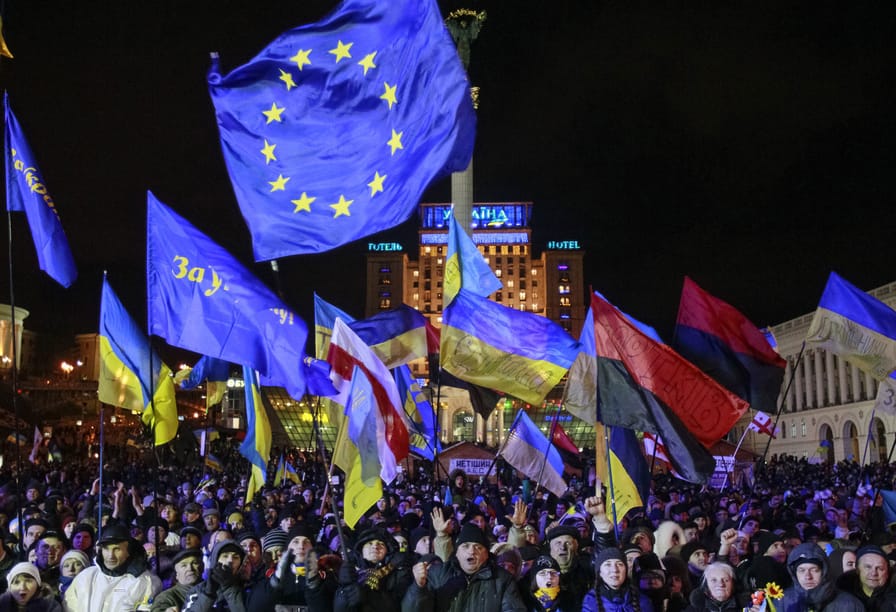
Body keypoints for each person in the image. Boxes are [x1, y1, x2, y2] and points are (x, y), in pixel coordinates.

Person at [402, 522, 525, 612]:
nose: (471, 552)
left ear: (487, 554)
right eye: (465, 546)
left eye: (478, 547)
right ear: (456, 553)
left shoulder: (502, 579)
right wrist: (418, 588)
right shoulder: (437, 574)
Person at [63, 523, 160, 611]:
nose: (110, 555)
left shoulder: (146, 582)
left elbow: (147, 608)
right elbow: (70, 605)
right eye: (106, 549)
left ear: (128, 551)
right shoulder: (86, 577)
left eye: (117, 549)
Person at [334, 527, 412, 612]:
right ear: (361, 550)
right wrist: (345, 589)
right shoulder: (348, 572)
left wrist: (371, 594)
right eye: (370, 543)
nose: (375, 546)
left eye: (381, 544)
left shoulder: (399, 572)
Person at [778, 542, 863, 611]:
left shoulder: (849, 605)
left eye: (814, 570)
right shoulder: (782, 601)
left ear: (824, 572)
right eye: (801, 570)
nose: (808, 576)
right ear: (794, 573)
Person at [582, 547, 654, 612]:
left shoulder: (642, 600)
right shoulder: (590, 601)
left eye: (620, 564)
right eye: (608, 565)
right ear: (600, 572)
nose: (615, 570)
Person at [837, 544, 896, 610]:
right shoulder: (843, 597)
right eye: (868, 567)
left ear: (887, 573)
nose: (874, 573)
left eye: (880, 568)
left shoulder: (893, 602)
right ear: (857, 570)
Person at [684, 562, 754, 612]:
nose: (720, 584)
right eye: (714, 580)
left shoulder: (746, 608)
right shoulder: (695, 609)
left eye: (726, 580)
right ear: (706, 586)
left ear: (733, 585)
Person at [150, 548, 203, 612]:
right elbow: (158, 608)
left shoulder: (213, 589)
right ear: (176, 574)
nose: (190, 568)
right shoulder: (168, 596)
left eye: (194, 563)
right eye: (184, 565)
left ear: (202, 568)